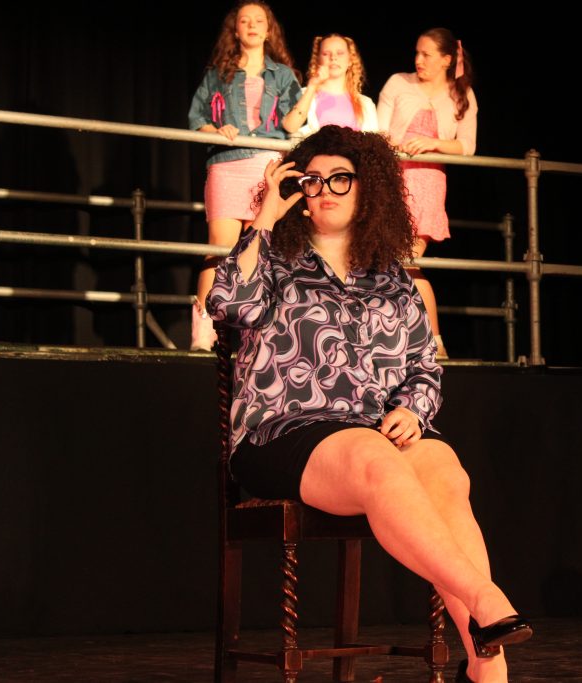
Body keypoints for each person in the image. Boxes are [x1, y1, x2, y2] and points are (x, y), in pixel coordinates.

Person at [207, 126, 530, 683]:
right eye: (312, 180)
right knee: (374, 457)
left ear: (368, 188)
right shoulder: (274, 259)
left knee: (444, 469)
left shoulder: (394, 280)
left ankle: (486, 668)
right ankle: (485, 597)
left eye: (341, 178)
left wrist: (412, 410)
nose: (324, 189)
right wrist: (263, 218)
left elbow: (424, 367)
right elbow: (227, 303)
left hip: (375, 431)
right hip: (281, 435)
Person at [187, 1, 301, 351]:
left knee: (259, 249)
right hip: (226, 163)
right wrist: (216, 129)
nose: (251, 25)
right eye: (244, 20)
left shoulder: (283, 75)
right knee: (219, 249)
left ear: (268, 30)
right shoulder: (217, 73)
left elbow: (293, 124)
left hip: (265, 163)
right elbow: (196, 118)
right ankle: (204, 332)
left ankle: (256, 334)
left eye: (258, 20)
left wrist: (314, 89)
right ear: (235, 30)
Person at [377, 28, 477, 360]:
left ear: (447, 60)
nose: (418, 60)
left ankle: (432, 340)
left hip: (427, 183)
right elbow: (378, 131)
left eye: (426, 55)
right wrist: (397, 145)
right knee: (391, 263)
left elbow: (467, 146)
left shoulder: (461, 94)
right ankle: (414, 341)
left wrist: (433, 143)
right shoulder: (398, 83)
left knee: (406, 261)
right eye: (416, 53)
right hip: (392, 179)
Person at [282, 34, 379, 135]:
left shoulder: (366, 104)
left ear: (350, 60)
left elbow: (375, 143)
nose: (333, 58)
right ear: (318, 60)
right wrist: (312, 86)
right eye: (326, 54)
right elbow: (290, 127)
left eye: (340, 53)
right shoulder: (304, 95)